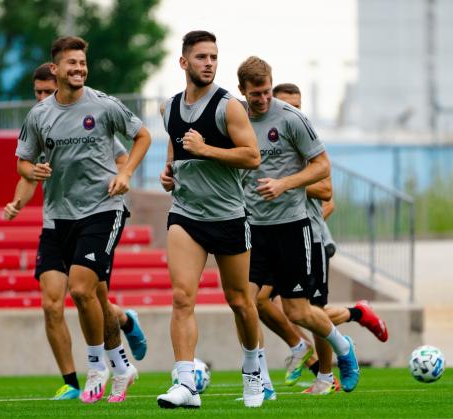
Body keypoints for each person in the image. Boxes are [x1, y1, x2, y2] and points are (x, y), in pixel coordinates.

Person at [15, 36, 151, 404]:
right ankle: (121, 366)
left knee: (80, 289)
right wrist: (34, 171)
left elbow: (142, 135)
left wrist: (126, 175)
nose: (78, 69)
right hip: (57, 217)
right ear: (55, 69)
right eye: (70, 63)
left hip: (103, 210)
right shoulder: (39, 116)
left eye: (82, 63)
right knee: (69, 298)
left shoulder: (104, 105)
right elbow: (22, 162)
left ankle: (96, 367)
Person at [237, 56, 360, 394]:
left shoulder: (291, 119)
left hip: (293, 227)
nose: (262, 100)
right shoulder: (234, 119)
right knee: (243, 304)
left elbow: (322, 166)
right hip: (252, 229)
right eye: (254, 94)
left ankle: (343, 348)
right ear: (241, 91)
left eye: (265, 92)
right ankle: (259, 382)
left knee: (300, 311)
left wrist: (285, 183)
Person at [156, 31, 264, 409]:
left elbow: (252, 157)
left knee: (240, 302)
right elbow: (175, 151)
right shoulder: (168, 107)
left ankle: (253, 370)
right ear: (184, 62)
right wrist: (168, 172)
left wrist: (206, 150)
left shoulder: (229, 107)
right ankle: (185, 382)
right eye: (201, 57)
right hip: (186, 215)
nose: (209, 63)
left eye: (213, 57)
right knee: (182, 297)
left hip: (228, 216)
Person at [271, 82, 388, 394]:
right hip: (275, 236)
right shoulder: (266, 142)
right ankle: (311, 349)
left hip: (311, 238)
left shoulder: (307, 145)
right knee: (263, 303)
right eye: (286, 105)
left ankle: (323, 371)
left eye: (297, 105)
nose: (291, 111)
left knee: (310, 311)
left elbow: (327, 194)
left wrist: (286, 184)